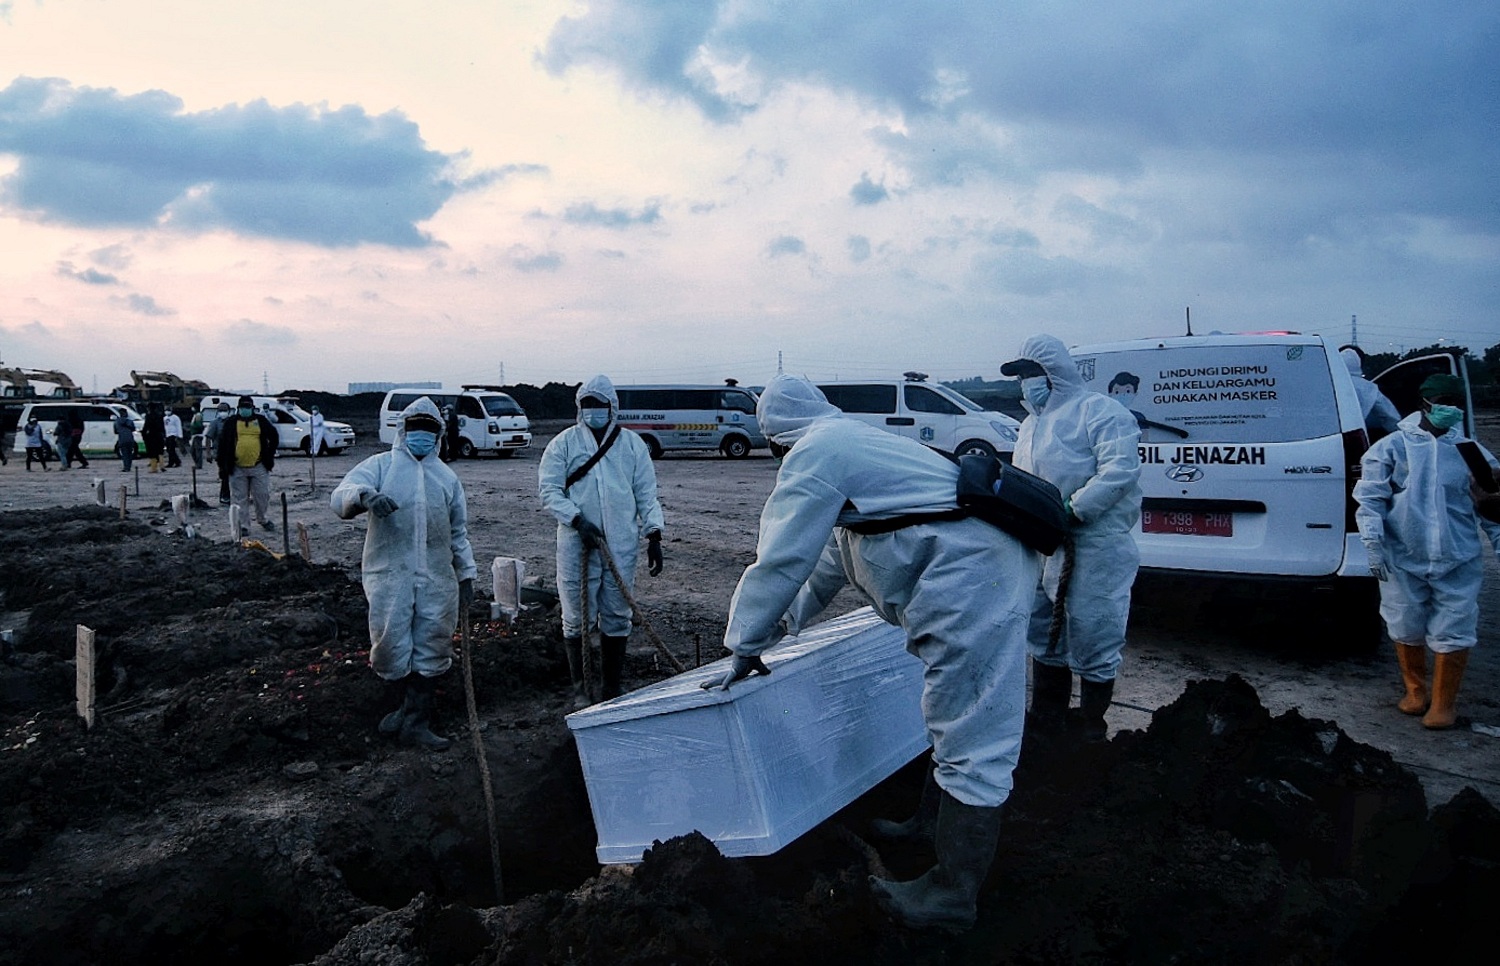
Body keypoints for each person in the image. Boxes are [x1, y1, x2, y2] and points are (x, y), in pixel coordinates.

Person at [710, 374, 1040, 932]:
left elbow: (780, 559)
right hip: (975, 573)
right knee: (949, 714)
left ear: (774, 438)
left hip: (975, 584)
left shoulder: (817, 452)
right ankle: (927, 827)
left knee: (973, 733)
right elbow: (826, 565)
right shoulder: (848, 443)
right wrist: (773, 631)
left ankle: (951, 893)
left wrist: (742, 643)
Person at [1004, 335, 1143, 744]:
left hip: (1093, 544)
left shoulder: (1100, 412)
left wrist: (1074, 508)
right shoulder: (1030, 425)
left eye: (1034, 372)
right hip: (1043, 545)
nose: (1028, 382)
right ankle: (1047, 723)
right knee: (1044, 631)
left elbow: (1119, 470)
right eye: (1022, 375)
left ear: (1056, 371)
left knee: (1094, 629)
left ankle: (1089, 729)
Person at [1354, 373, 1500, 730]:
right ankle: (1416, 692)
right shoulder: (1392, 448)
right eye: (1443, 404)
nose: (1450, 410)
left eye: (1455, 404)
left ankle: (1444, 704)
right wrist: (1372, 542)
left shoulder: (1471, 453)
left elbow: (1494, 511)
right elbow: (1369, 498)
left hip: (1457, 555)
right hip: (1403, 555)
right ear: (1425, 404)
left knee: (1456, 625)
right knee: (1404, 621)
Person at [331, 397, 477, 751]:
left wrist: (467, 575)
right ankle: (403, 708)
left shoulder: (446, 477)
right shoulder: (380, 466)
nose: (422, 436)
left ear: (439, 433)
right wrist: (366, 497)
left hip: (437, 577)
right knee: (390, 644)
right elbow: (340, 496)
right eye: (416, 428)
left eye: (429, 429)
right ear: (403, 430)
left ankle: (416, 721)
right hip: (390, 573)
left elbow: (458, 531)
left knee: (432, 644)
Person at [538, 375, 665, 706]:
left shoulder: (632, 446)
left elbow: (646, 493)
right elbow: (549, 491)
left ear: (612, 407)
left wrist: (654, 533)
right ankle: (581, 687)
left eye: (600, 404)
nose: (594, 410)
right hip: (576, 543)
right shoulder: (563, 444)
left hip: (620, 544)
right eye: (588, 404)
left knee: (617, 611)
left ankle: (611, 687)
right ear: (580, 408)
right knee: (577, 614)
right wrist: (577, 520)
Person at [217, 395, 279, 535]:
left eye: (248, 407)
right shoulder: (231, 423)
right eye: (243, 407)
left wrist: (269, 454)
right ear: (238, 408)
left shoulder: (261, 421)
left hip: (259, 466)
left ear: (253, 408)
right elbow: (223, 445)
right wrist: (223, 466)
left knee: (262, 495)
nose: (245, 410)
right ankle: (244, 525)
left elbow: (274, 436)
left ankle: (262, 519)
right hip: (237, 467)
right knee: (240, 498)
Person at [1339, 346, 1401, 441]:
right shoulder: (1368, 387)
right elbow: (1388, 415)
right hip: (1355, 436)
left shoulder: (1327, 384)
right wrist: (1401, 434)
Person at [141, 403, 165, 473]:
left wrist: (143, 434)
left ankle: (154, 468)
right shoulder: (160, 415)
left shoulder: (149, 416)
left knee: (152, 452)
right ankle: (162, 465)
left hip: (152, 436)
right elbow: (162, 427)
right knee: (160, 451)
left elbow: (146, 426)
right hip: (159, 435)